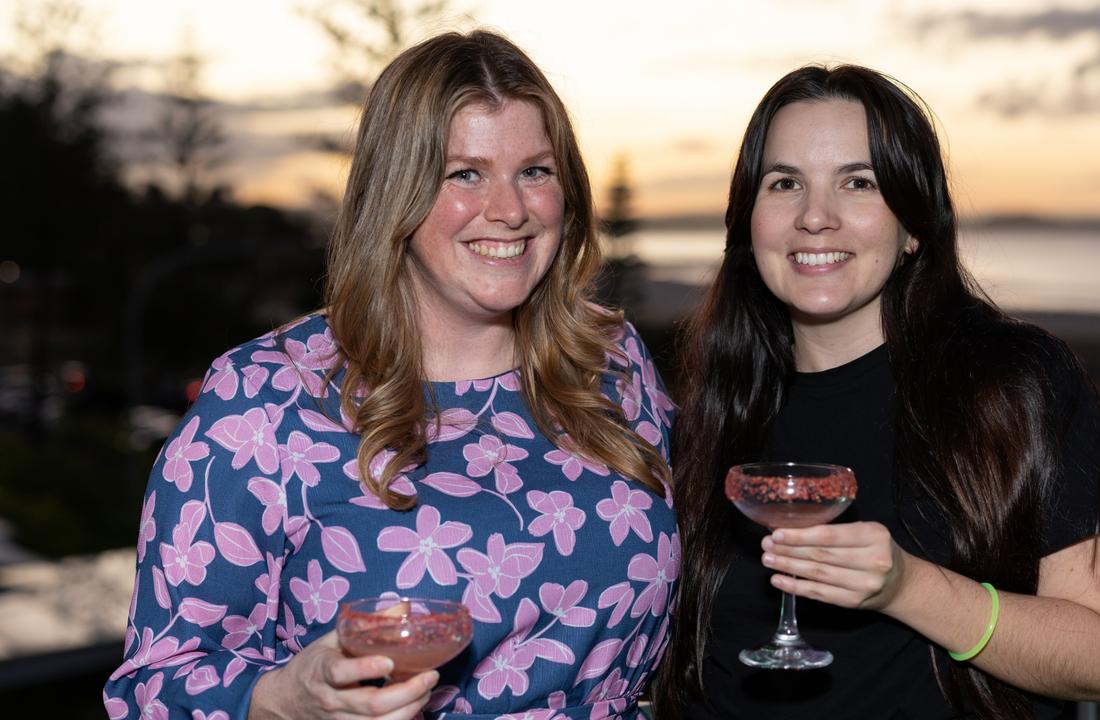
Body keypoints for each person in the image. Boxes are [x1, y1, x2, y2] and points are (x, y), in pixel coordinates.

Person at [104, 30, 676, 720]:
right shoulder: (265, 396)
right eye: (463, 173)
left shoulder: (610, 361)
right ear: (394, 191)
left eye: (536, 171)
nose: (512, 210)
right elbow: (151, 690)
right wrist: (285, 700)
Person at [654, 64, 1100, 719]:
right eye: (785, 183)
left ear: (914, 226)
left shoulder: (1015, 386)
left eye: (858, 182)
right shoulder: (715, 413)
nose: (815, 218)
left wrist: (908, 587)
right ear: (748, 223)